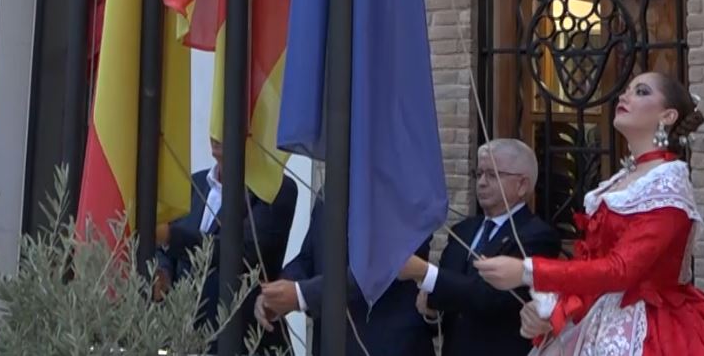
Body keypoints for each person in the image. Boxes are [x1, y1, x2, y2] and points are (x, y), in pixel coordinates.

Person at [474, 71, 704, 356]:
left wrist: (528, 272)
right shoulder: (622, 181)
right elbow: (593, 263)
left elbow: (622, 270)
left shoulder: (667, 183)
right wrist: (552, 308)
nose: (625, 97)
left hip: (655, 325)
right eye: (626, 90)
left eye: (641, 92)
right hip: (596, 318)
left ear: (667, 116)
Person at [397, 139, 562, 356]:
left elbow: (491, 297)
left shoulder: (537, 236)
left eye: (493, 175)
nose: (482, 182)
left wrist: (424, 272)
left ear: (522, 185)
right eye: (479, 174)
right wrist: (431, 313)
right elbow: (446, 306)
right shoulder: (463, 231)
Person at [156, 138, 297, 354]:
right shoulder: (193, 184)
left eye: (222, 118)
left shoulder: (275, 190)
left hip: (243, 343)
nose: (215, 134)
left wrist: (169, 236)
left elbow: (242, 254)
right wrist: (163, 272)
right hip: (185, 342)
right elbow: (164, 251)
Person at [255, 193, 436, 356]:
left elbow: (381, 268)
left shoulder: (405, 192)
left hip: (387, 345)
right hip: (330, 343)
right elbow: (309, 257)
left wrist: (300, 294)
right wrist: (279, 291)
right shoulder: (331, 189)